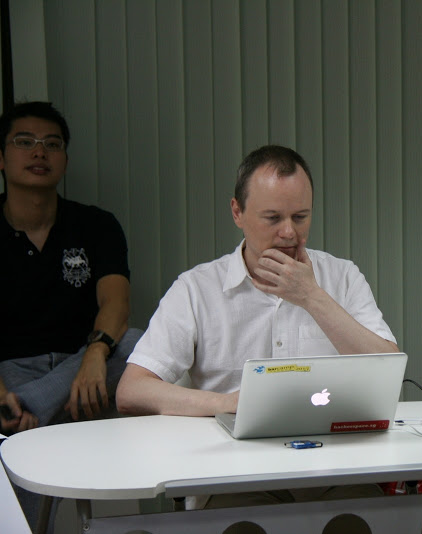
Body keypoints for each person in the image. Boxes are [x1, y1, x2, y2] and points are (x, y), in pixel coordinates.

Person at [116, 145, 398, 526]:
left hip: (337, 473)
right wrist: (226, 403)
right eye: (272, 218)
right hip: (235, 478)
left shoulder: (342, 277)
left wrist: (312, 297)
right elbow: (132, 391)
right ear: (238, 213)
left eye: (301, 217)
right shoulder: (197, 289)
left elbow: (386, 370)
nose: (289, 233)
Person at [0, 101, 143, 529]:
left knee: (139, 343)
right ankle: (23, 410)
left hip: (85, 373)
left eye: (52, 143)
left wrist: (95, 356)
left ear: (64, 158)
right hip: (10, 374)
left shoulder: (96, 224)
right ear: (1, 158)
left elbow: (116, 303)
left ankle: (28, 414)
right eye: (25, 142)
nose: (39, 152)